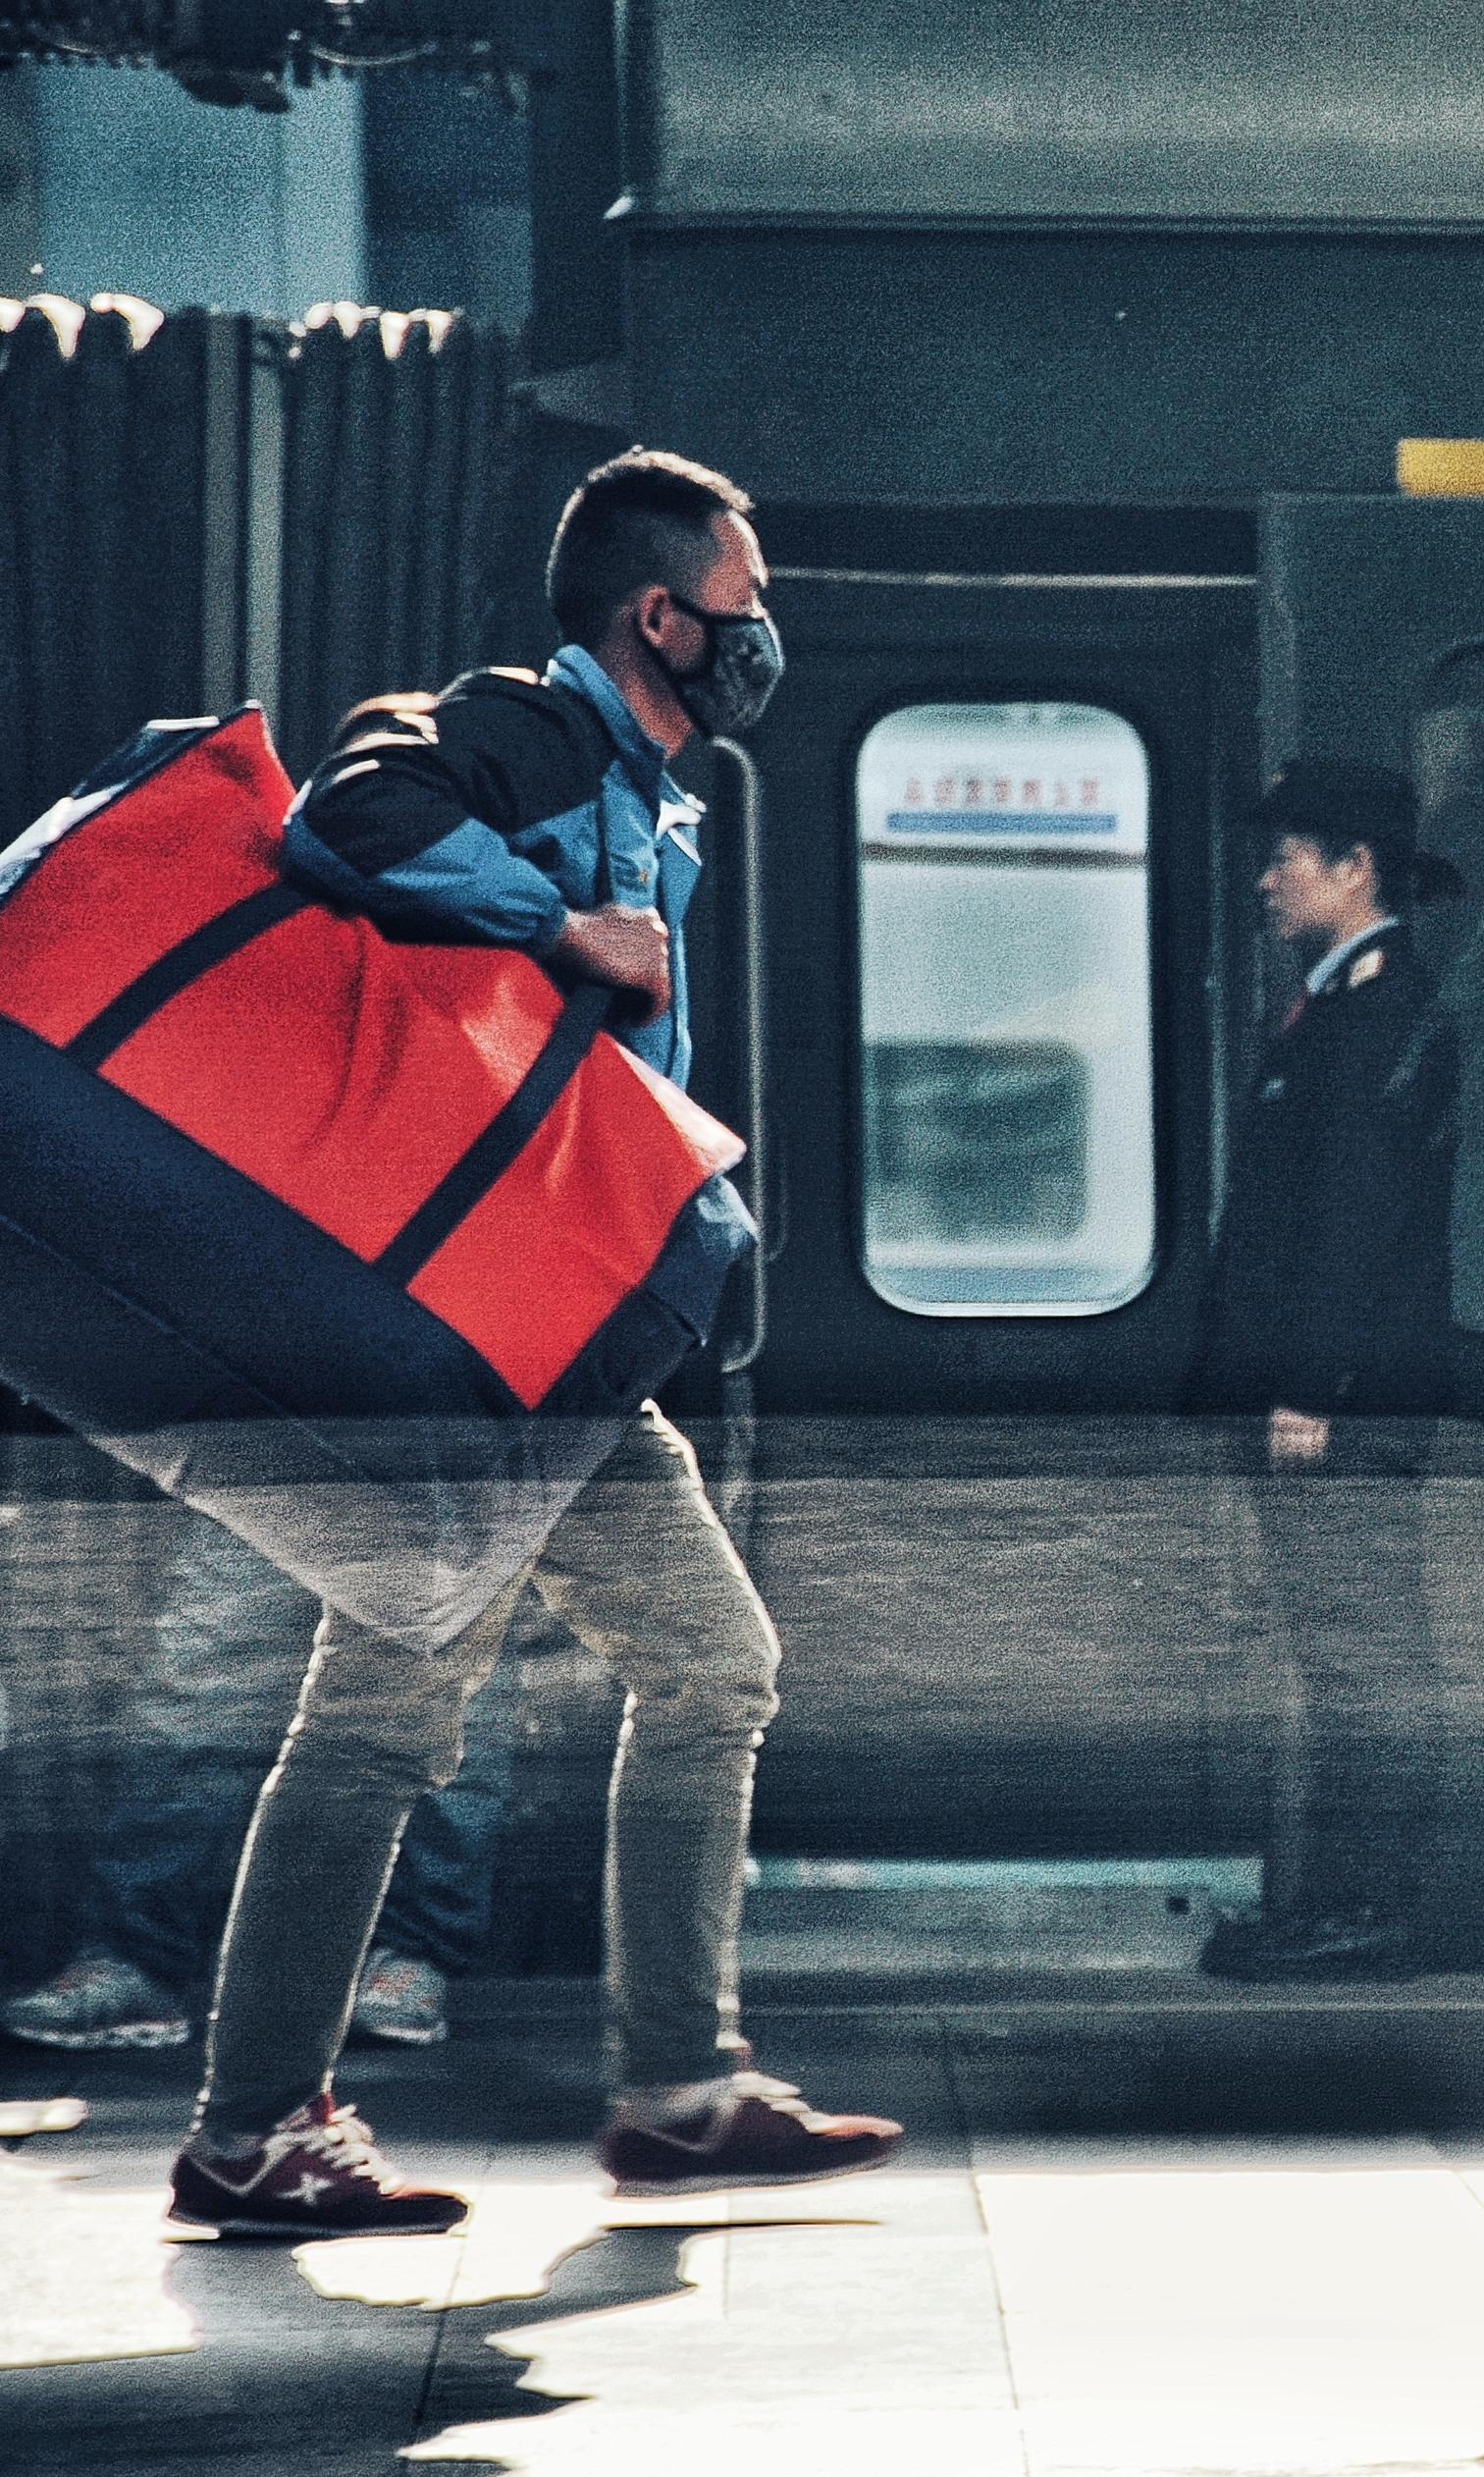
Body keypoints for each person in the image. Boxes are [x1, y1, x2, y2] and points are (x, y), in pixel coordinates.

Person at [162, 448, 899, 2238]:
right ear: (661, 614)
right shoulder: (525, 729)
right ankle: (271, 2122)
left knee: (691, 1667)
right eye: (745, 598)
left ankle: (670, 2085)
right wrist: (560, 922)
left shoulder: (658, 788)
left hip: (556, 1322)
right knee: (390, 1714)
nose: (761, 631)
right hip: (482, 1330)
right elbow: (354, 816)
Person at [1187, 758, 1463, 1981]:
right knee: (1340, 1649)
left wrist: (1307, 1386)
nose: (1266, 877)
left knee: (1362, 1656)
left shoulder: (1380, 1012)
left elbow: (1354, 1218)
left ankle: (1368, 1906)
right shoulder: (1343, 1004)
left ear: (1356, 870)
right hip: (1331, 1395)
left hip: (1342, 1404)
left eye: (1289, 854)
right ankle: (1346, 1898)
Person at [0, 1504, 519, 2056]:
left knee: (451, 1687)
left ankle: (409, 1954)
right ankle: (135, 1955)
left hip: (456, 1451)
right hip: (280, 1437)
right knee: (205, 1680)